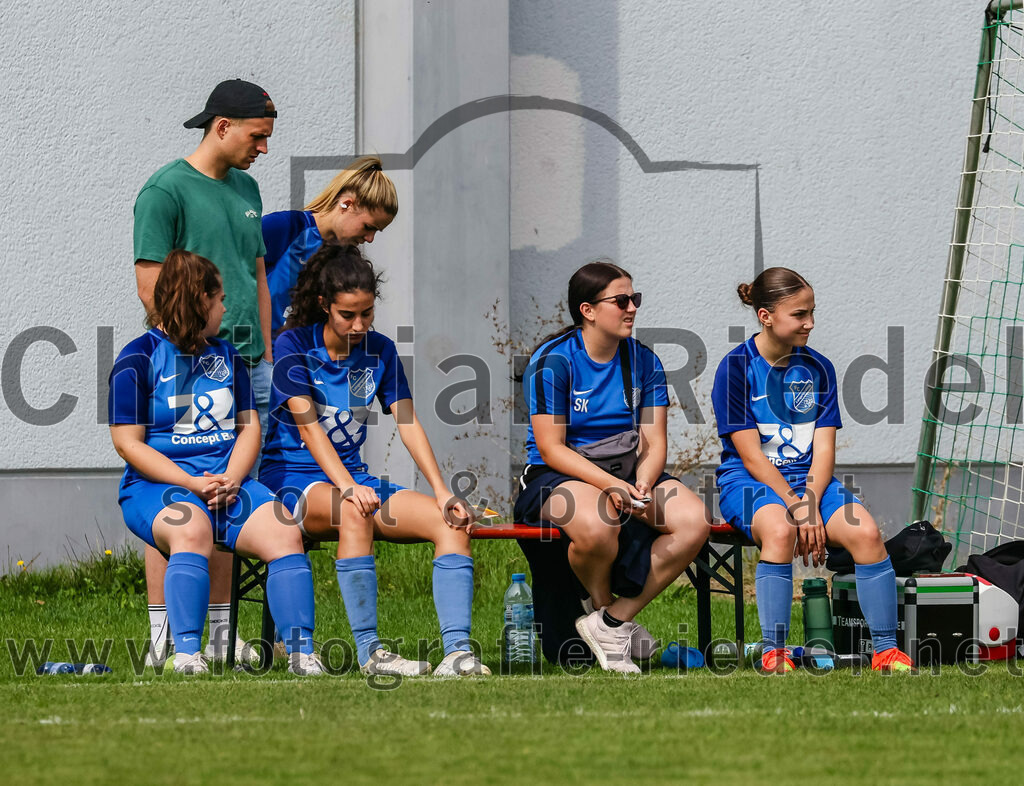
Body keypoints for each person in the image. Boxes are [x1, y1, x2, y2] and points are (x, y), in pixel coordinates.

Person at [260, 244, 490, 678]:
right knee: (354, 509)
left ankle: (458, 654)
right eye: (348, 315)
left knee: (452, 521)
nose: (359, 324)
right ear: (324, 305)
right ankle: (371, 653)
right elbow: (308, 428)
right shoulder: (293, 344)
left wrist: (442, 491)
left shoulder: (381, 350)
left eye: (367, 313)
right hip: (290, 478)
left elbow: (408, 423)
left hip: (354, 480)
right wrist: (347, 486)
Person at [109, 250, 322, 676]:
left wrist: (231, 476)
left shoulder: (227, 356)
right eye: (218, 298)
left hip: (228, 483)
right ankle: (188, 654)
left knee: (284, 530)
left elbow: (249, 429)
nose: (225, 307)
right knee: (191, 527)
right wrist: (191, 482)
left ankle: (301, 652)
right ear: (197, 301)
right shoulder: (137, 358)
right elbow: (127, 444)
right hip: (156, 487)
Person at [132, 78, 278, 665]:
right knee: (171, 493)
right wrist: (192, 351)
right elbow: (150, 285)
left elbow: (256, 274)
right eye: (257, 136)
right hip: (188, 366)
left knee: (225, 493)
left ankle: (218, 636)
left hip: (249, 366)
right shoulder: (164, 191)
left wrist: (263, 350)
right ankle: (164, 636)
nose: (263, 148)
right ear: (222, 126)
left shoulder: (247, 187)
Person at [711, 266, 913, 673]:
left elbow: (823, 452)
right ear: (765, 316)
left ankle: (886, 652)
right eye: (799, 314)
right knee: (780, 530)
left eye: (812, 312)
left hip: (810, 485)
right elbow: (751, 457)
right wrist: (796, 507)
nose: (810, 323)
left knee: (867, 533)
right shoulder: (735, 369)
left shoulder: (819, 368)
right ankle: (774, 652)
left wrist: (810, 499)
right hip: (748, 482)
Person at [514, 261, 712, 674]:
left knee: (694, 521)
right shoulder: (553, 361)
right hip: (557, 476)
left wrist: (641, 479)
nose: (632, 308)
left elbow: (655, 442)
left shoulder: (644, 361)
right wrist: (611, 487)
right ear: (587, 310)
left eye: (634, 299)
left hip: (626, 471)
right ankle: (604, 609)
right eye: (621, 300)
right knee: (598, 524)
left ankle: (611, 621)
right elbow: (551, 449)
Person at [262, 156, 397, 333]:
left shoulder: (346, 258)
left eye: (376, 231)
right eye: (368, 227)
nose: (370, 238)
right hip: (249, 348)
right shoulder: (283, 227)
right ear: (347, 204)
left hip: (295, 354)